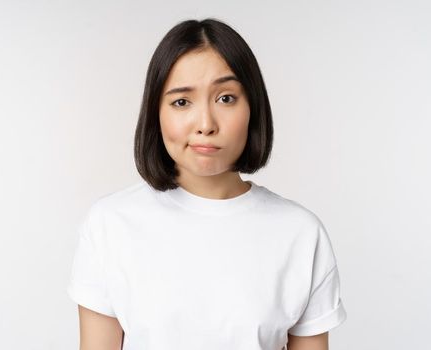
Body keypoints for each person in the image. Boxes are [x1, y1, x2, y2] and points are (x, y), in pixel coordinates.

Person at [66, 18, 347, 350]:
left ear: (253, 107)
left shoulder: (300, 234)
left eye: (226, 98)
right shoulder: (110, 225)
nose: (205, 124)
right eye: (182, 102)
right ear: (156, 113)